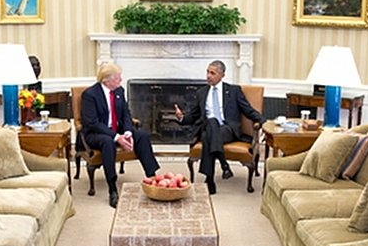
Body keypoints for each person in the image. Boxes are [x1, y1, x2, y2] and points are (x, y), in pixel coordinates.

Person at [174, 60, 264, 195]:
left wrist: (263, 121)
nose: (208, 76)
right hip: (207, 126)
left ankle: (210, 178)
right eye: (207, 72)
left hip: (227, 129)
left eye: (212, 73)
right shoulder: (201, 93)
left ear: (222, 75)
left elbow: (248, 110)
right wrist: (181, 117)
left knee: (208, 134)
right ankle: (224, 165)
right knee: (211, 122)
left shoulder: (234, 91)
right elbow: (193, 116)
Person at [81, 63, 160, 208]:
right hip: (96, 134)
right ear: (106, 80)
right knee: (108, 142)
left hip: (118, 130)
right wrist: (117, 137)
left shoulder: (119, 91)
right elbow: (92, 123)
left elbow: (126, 114)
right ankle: (112, 189)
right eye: (117, 78)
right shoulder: (90, 95)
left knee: (142, 136)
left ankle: (152, 177)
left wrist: (128, 132)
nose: (121, 80)